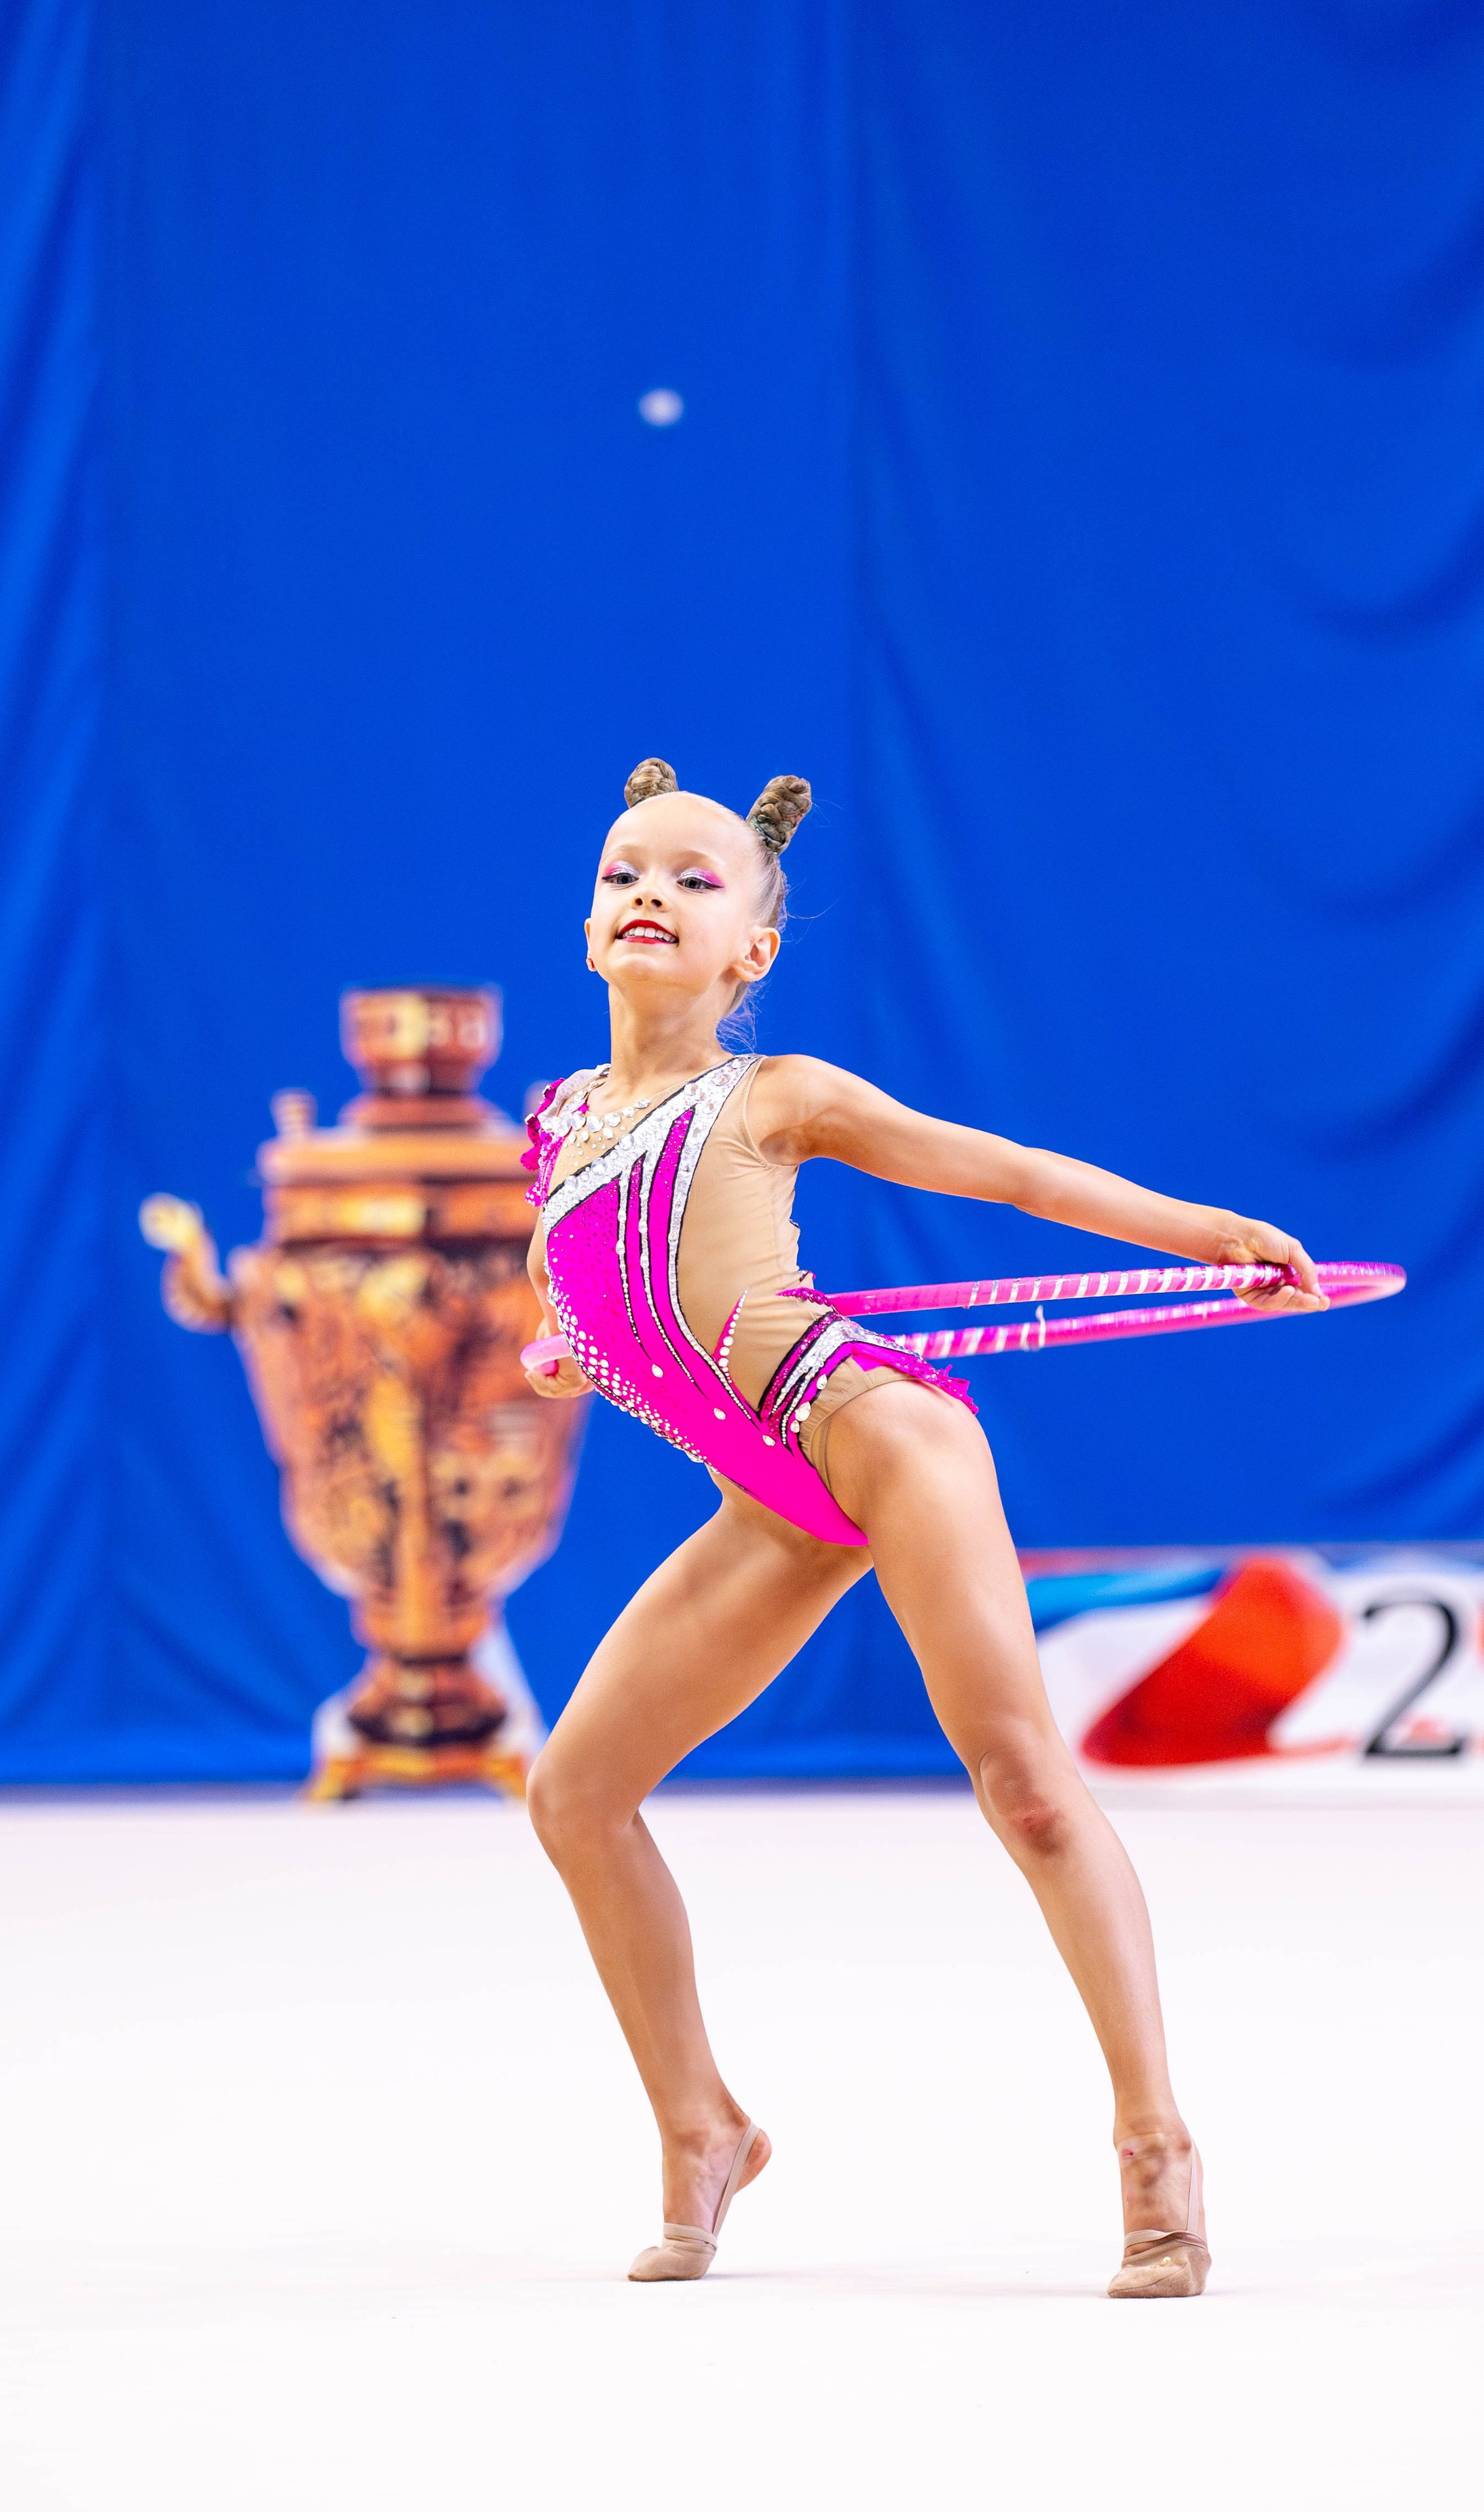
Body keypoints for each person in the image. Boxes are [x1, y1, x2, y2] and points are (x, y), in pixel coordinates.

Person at [521, 757, 1328, 2296]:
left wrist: (1204, 1236)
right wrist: (568, 1334)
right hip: (769, 1503)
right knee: (572, 1791)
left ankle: (1153, 2140)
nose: (651, 894)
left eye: (697, 882)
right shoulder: (555, 1124)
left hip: (875, 1433)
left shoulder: (776, 1094)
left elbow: (1010, 1176)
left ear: (749, 953)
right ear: (586, 922)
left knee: (1021, 1783)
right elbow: (598, 1278)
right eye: (628, 870)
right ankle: (702, 2126)